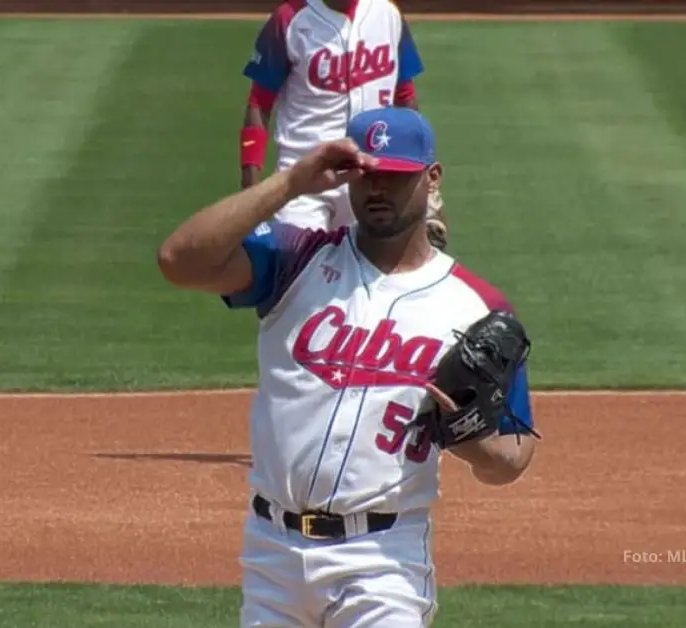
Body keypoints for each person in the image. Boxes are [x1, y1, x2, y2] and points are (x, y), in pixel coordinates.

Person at [158, 106, 538, 627]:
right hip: (272, 553)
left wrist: (464, 431)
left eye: (395, 176)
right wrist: (290, 182)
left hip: (383, 562)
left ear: (431, 179)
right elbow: (179, 261)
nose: (378, 188)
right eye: (367, 173)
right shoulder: (294, 260)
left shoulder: (477, 309)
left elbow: (511, 461)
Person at [238, 0, 449, 247]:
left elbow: (404, 96)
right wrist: (250, 192)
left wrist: (422, 175)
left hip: (371, 177)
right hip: (303, 182)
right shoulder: (289, 20)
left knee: (370, 278)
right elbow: (259, 103)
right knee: (297, 273)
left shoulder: (387, 14)